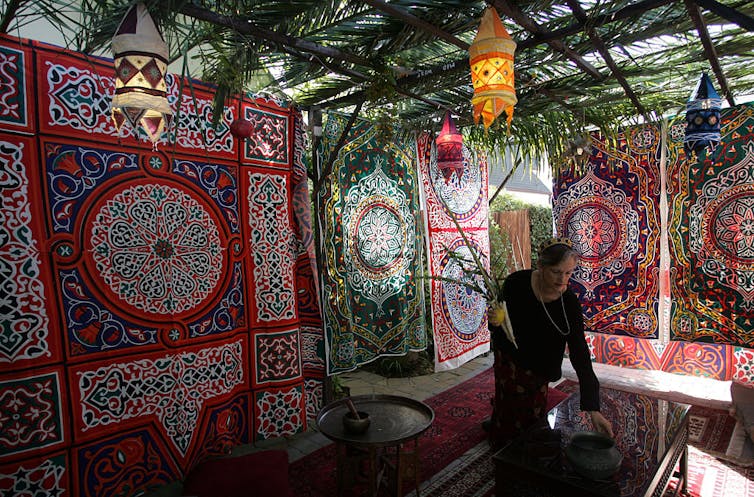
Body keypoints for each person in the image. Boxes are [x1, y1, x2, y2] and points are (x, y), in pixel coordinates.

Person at [487, 237, 613, 448]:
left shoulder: (569, 304)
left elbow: (579, 352)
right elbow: (498, 325)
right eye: (556, 272)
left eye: (569, 273)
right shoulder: (516, 283)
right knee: (506, 403)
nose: (562, 281)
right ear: (540, 266)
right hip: (510, 360)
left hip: (541, 367)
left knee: (532, 419)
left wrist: (593, 409)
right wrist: (495, 321)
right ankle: (500, 442)